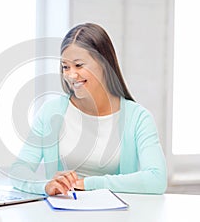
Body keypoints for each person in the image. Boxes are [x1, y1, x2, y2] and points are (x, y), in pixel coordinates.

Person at [10, 23, 167, 196]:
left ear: (104, 64)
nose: (71, 75)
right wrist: (46, 185)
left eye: (79, 65)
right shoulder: (50, 112)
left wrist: (86, 184)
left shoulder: (138, 118)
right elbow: (18, 171)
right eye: (65, 67)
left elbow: (156, 180)